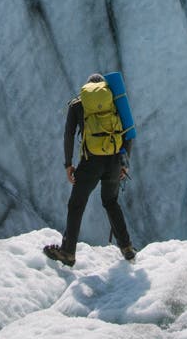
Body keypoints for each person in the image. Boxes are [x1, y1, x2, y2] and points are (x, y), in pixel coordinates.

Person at [44, 73, 135, 266]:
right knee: (111, 202)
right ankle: (127, 247)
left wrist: (68, 164)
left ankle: (68, 252)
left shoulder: (78, 104)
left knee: (76, 204)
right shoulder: (114, 103)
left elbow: (69, 135)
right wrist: (124, 164)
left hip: (90, 162)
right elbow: (128, 133)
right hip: (114, 160)